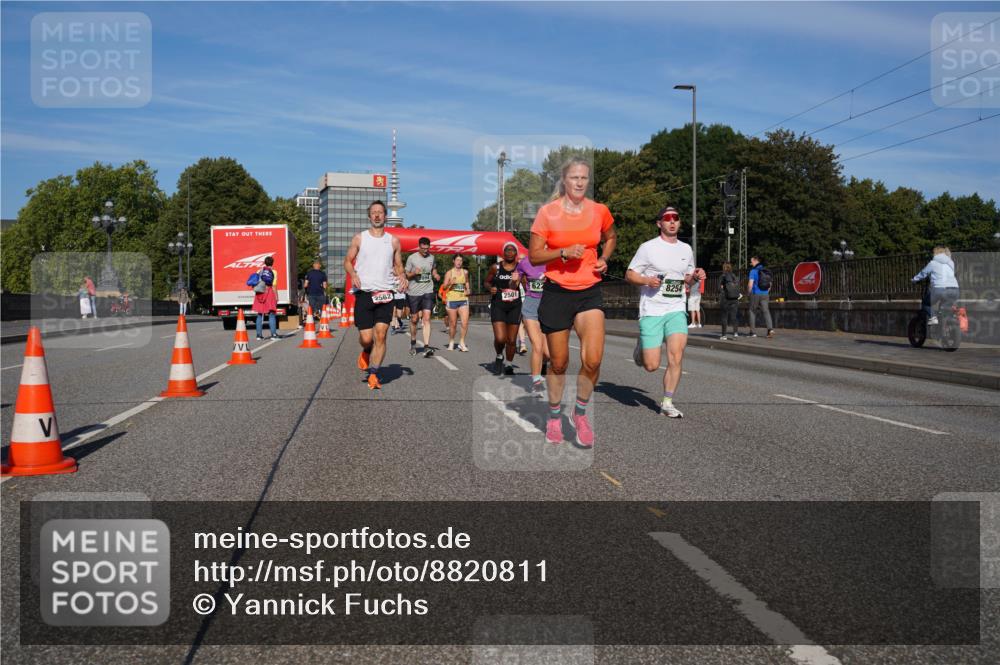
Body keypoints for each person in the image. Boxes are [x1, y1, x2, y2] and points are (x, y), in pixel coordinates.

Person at [529, 157, 615, 447]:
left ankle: (579, 413)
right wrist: (562, 252)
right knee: (559, 363)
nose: (579, 182)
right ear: (564, 181)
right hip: (557, 291)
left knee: (593, 360)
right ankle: (554, 417)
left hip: (589, 289)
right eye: (574, 178)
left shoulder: (599, 211)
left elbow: (611, 236)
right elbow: (534, 256)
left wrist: (604, 258)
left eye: (584, 178)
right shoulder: (547, 213)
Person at [625, 206, 706, 418]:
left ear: (679, 222)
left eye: (676, 218)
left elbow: (686, 278)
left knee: (676, 356)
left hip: (676, 308)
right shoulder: (648, 248)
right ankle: (642, 346)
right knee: (651, 365)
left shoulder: (686, 249)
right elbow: (630, 275)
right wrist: (646, 280)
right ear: (659, 223)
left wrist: (696, 275)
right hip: (652, 309)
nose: (672, 221)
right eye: (667, 218)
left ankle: (667, 402)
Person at [344, 200, 408, 390]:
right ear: (369, 216)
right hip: (364, 294)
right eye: (374, 212)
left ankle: (374, 373)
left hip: (385, 294)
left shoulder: (394, 241)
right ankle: (366, 350)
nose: (377, 215)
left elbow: (398, 266)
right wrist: (353, 273)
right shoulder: (359, 238)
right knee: (367, 338)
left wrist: (402, 276)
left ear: (385, 216)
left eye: (380, 212)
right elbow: (348, 261)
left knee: (381, 335)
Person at [486, 242, 523, 375]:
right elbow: (486, 281)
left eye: (512, 250)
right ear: (503, 253)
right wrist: (491, 288)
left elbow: (527, 284)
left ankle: (509, 364)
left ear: (516, 253)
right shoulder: (495, 267)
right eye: (507, 250)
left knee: (512, 340)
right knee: (501, 338)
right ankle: (499, 356)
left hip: (515, 305)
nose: (509, 252)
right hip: (499, 304)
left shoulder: (520, 268)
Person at [516, 252, 549, 396]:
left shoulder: (554, 260)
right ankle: (536, 381)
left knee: (547, 352)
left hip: (549, 307)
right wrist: (514, 280)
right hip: (531, 306)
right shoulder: (525, 262)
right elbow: (515, 281)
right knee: (537, 345)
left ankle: (542, 364)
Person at [405, 236, 440, 357]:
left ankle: (426, 346)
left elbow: (433, 270)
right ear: (419, 246)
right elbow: (407, 275)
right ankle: (413, 343)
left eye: (427, 248)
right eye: (423, 248)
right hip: (414, 292)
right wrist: (414, 273)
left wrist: (435, 275)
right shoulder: (411, 258)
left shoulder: (432, 257)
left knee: (426, 318)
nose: (425, 250)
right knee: (414, 319)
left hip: (428, 291)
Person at [913, 246, 959, 324]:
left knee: (925, 304)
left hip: (940, 289)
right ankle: (945, 325)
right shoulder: (951, 262)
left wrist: (914, 279)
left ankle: (933, 317)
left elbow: (923, 273)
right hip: (955, 290)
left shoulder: (933, 263)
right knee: (943, 308)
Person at [441, 255, 471, 352]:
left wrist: (468, 289)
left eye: (461, 260)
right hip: (452, 300)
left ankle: (462, 343)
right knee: (453, 324)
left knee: (465, 322)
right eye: (457, 260)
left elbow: (466, 282)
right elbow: (444, 287)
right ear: (453, 261)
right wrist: (450, 283)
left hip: (463, 299)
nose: (459, 262)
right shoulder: (449, 273)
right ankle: (451, 341)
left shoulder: (465, 272)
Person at [746, 255, 775, 338]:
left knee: (752, 311)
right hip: (765, 294)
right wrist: (766, 291)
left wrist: (748, 293)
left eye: (751, 261)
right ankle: (770, 329)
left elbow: (750, 284)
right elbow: (770, 284)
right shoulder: (766, 270)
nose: (750, 263)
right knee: (766, 311)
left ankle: (753, 332)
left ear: (755, 261)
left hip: (755, 293)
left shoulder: (753, 271)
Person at [252, 256, 279, 340]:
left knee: (260, 314)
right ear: (272, 263)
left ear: (265, 262)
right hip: (269, 292)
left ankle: (258, 335)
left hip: (260, 293)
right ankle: (273, 334)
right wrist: (276, 296)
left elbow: (255, 283)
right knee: (271, 313)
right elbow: (274, 286)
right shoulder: (274, 272)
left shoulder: (259, 271)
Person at [718, 262, 741, 340]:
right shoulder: (734, 276)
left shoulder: (723, 276)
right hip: (735, 299)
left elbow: (719, 288)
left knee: (724, 317)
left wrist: (722, 289)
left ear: (724, 268)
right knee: (734, 316)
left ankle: (724, 335)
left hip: (725, 298)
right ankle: (735, 333)